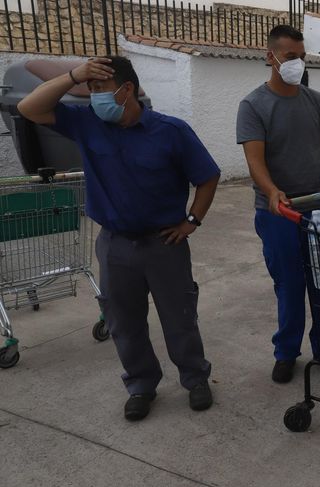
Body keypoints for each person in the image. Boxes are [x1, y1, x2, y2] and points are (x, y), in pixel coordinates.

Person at [17, 56, 220, 421]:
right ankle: (141, 385)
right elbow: (28, 107)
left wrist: (192, 221)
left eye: (99, 89)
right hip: (115, 244)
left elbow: (208, 176)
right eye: (90, 89)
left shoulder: (171, 131)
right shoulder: (87, 124)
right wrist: (74, 76)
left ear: (127, 90)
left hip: (164, 244)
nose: (93, 96)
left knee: (180, 316)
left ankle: (195, 378)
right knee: (123, 322)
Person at [236, 25, 320, 383]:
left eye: (301, 57)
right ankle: (286, 352)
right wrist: (271, 190)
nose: (297, 63)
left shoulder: (315, 101)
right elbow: (255, 161)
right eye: (290, 57)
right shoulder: (254, 105)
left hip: (319, 206)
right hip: (278, 211)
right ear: (270, 57)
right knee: (289, 283)